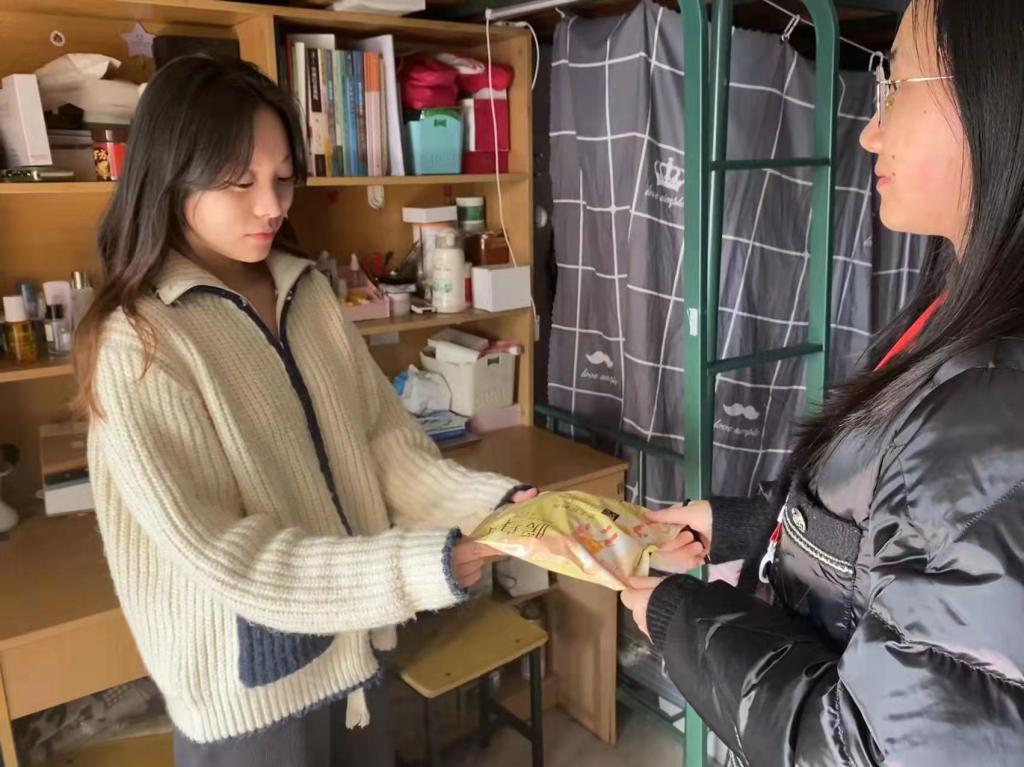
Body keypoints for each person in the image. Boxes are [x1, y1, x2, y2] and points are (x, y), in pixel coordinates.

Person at [76, 55, 535, 767]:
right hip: (249, 697)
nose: (272, 206)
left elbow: (384, 445)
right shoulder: (138, 343)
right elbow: (223, 554)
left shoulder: (308, 291)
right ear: (169, 178)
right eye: (240, 182)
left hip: (353, 651)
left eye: (283, 177)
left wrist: (501, 509)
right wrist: (425, 565)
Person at [621, 0, 1024, 764]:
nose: (869, 131)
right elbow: (898, 546)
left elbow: (864, 748)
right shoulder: (957, 311)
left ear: (996, 93)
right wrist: (746, 526)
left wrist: (680, 619)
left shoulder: (999, 410)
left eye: (894, 86)